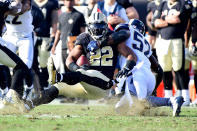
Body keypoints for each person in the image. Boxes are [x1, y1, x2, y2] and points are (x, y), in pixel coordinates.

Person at [25, 12, 136, 109]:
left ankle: (58, 77)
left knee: (82, 73)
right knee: (58, 87)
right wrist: (76, 67)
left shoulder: (112, 38)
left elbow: (131, 55)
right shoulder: (85, 38)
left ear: (106, 26)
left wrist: (126, 68)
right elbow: (70, 59)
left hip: (103, 84)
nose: (97, 30)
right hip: (86, 84)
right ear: (89, 27)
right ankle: (29, 104)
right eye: (94, 27)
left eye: (100, 27)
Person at [114, 19, 184, 117]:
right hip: (148, 76)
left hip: (136, 73)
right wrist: (154, 88)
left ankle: (171, 100)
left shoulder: (127, 32)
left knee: (141, 101)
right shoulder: (145, 42)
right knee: (120, 109)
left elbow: (118, 33)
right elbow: (158, 69)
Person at [152, 0, 192, 106]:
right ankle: (168, 97)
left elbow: (177, 19)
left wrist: (163, 18)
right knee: (165, 69)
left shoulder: (183, 4)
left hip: (177, 40)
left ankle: (185, 97)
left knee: (179, 69)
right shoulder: (162, 4)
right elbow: (155, 22)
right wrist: (168, 20)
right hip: (162, 40)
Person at [0, 0, 33, 111]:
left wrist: (8, 7)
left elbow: (20, 9)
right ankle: (5, 91)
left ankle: (28, 87)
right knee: (4, 65)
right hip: (9, 36)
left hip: (24, 37)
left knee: (25, 65)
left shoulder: (25, 2)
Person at [51, 0, 86, 72]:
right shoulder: (61, 15)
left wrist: (83, 46)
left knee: (75, 68)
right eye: (67, 1)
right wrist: (54, 45)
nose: (69, 2)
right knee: (66, 67)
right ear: (64, 2)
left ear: (74, 2)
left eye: (71, 1)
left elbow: (83, 32)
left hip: (75, 47)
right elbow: (58, 32)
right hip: (64, 46)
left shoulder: (79, 15)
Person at [32, 0, 59, 89]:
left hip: (45, 36)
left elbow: (55, 21)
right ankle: (37, 88)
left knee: (44, 64)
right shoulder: (30, 2)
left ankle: (45, 85)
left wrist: (53, 35)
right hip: (30, 36)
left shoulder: (52, 2)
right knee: (32, 63)